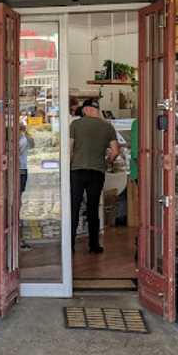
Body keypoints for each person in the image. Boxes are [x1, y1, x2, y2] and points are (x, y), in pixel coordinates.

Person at [70, 99, 120, 254]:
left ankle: (70, 244)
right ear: (97, 110)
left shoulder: (75, 125)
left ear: (85, 110)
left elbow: (69, 148)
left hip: (77, 170)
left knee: (74, 207)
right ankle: (94, 245)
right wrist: (107, 161)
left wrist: (70, 164)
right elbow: (115, 151)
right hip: (97, 172)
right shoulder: (107, 126)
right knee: (93, 208)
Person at [18, 123, 34, 250]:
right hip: (19, 170)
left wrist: (25, 133)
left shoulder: (23, 137)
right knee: (17, 200)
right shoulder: (18, 138)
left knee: (18, 200)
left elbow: (32, 144)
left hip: (22, 169)